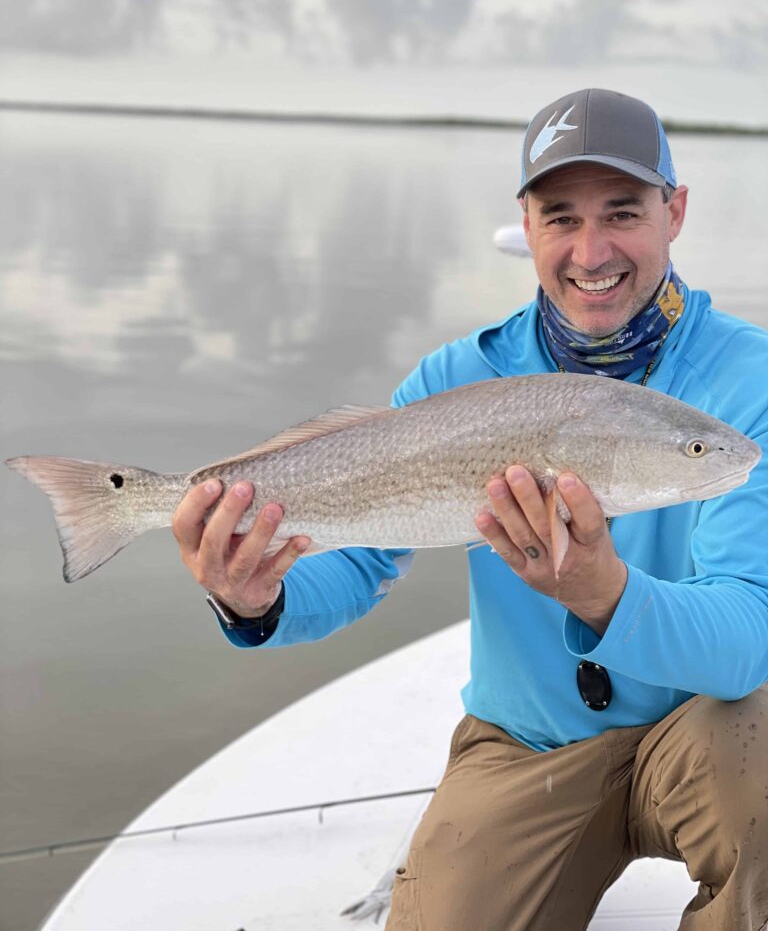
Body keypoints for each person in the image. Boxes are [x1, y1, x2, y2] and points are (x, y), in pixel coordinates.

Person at [172, 89, 768, 931]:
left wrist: (604, 594)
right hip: (525, 742)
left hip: (703, 738)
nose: (591, 251)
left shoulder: (749, 385)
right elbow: (359, 563)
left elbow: (751, 634)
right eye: (560, 217)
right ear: (525, 225)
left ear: (675, 211)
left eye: (623, 212)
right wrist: (258, 599)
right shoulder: (454, 381)